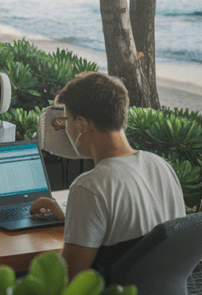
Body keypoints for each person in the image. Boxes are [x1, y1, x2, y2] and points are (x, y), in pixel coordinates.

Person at [29, 72, 186, 282]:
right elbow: (136, 237)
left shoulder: (90, 187)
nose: (65, 128)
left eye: (66, 120)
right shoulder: (161, 166)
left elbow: (69, 278)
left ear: (82, 125)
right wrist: (73, 219)